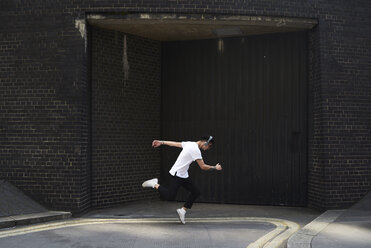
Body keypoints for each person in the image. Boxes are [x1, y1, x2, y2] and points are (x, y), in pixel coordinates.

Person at [142, 136, 222, 224]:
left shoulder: (190, 143)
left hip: (183, 175)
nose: (207, 149)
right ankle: (154, 184)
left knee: (195, 192)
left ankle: (183, 211)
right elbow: (203, 166)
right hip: (177, 174)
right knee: (169, 196)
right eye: (209, 146)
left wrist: (161, 142)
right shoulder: (195, 150)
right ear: (205, 143)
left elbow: (175, 144)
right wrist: (215, 167)